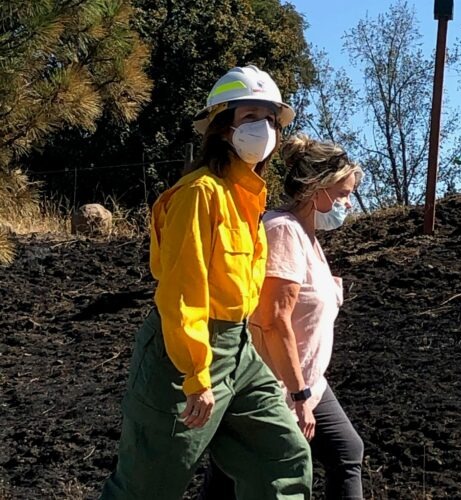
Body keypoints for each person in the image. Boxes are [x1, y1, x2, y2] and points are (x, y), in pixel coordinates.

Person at [100, 67, 312, 499]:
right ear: (221, 129)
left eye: (272, 119)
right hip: (185, 354)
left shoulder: (246, 197)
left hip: (239, 352)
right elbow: (183, 290)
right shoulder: (199, 194)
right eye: (252, 116)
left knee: (283, 456)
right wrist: (197, 374)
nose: (265, 129)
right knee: (148, 486)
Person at [199, 133, 365, 499]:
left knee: (345, 452)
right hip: (276, 384)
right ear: (316, 189)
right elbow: (271, 319)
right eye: (342, 195)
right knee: (240, 474)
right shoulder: (283, 231)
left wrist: (307, 389)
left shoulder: (308, 237)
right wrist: (299, 394)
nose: (348, 205)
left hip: (309, 381)